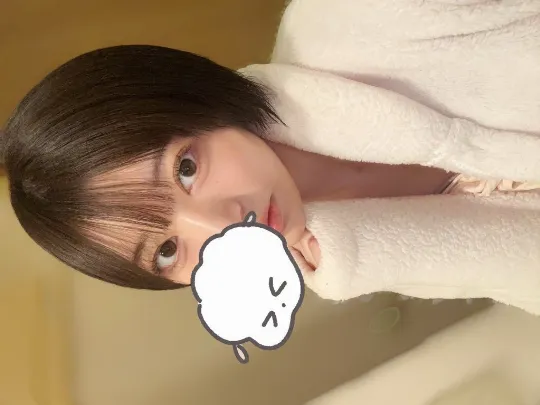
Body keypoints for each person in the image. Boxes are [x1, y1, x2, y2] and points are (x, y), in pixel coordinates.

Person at [2, 0, 540, 314]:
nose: (222, 226)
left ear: (196, 97)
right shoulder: (346, 256)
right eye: (166, 251)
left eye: (185, 169)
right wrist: (368, 256)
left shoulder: (355, 18)